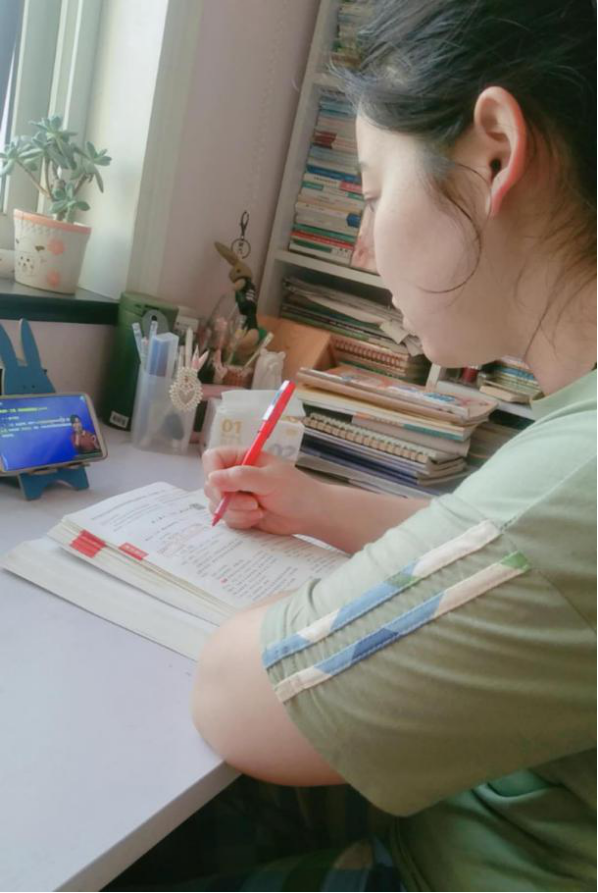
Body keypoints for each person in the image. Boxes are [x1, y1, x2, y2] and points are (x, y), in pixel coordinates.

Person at [105, 1, 596, 891]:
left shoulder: (577, 477)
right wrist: (316, 505)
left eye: (370, 194)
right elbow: (493, 546)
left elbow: (234, 698)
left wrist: (300, 605)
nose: (364, 248)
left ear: (494, 152)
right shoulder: (569, 444)